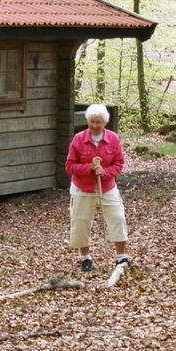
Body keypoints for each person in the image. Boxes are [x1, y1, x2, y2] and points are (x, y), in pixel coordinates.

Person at [65, 104, 130, 272]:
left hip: (107, 186)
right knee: (81, 221)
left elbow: (119, 163)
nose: (95, 125)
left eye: (98, 122)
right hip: (82, 187)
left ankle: (121, 257)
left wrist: (105, 171)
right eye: (92, 122)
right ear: (88, 121)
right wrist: (89, 168)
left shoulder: (113, 138)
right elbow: (70, 166)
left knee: (117, 217)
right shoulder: (79, 139)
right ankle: (85, 257)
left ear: (105, 123)